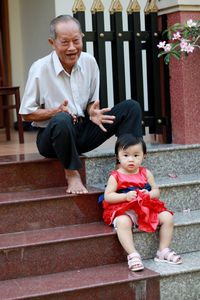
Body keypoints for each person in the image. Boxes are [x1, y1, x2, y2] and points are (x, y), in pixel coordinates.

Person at [19, 14, 142, 194]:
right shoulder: (40, 68)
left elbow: (91, 101)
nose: (72, 48)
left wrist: (92, 111)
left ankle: (125, 170)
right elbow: (26, 113)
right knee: (62, 119)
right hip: (52, 138)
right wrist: (55, 112)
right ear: (52, 43)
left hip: (82, 131)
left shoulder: (89, 62)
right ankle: (72, 174)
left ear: (81, 38)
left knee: (131, 107)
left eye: (76, 41)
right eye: (65, 42)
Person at [101, 134, 182, 272]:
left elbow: (156, 190)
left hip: (145, 209)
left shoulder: (146, 173)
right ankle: (132, 254)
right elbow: (108, 196)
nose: (131, 159)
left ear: (144, 156)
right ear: (118, 157)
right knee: (122, 222)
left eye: (136, 155)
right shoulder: (115, 176)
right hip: (125, 210)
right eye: (126, 155)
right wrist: (125, 196)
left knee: (168, 217)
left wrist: (149, 194)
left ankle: (162, 250)